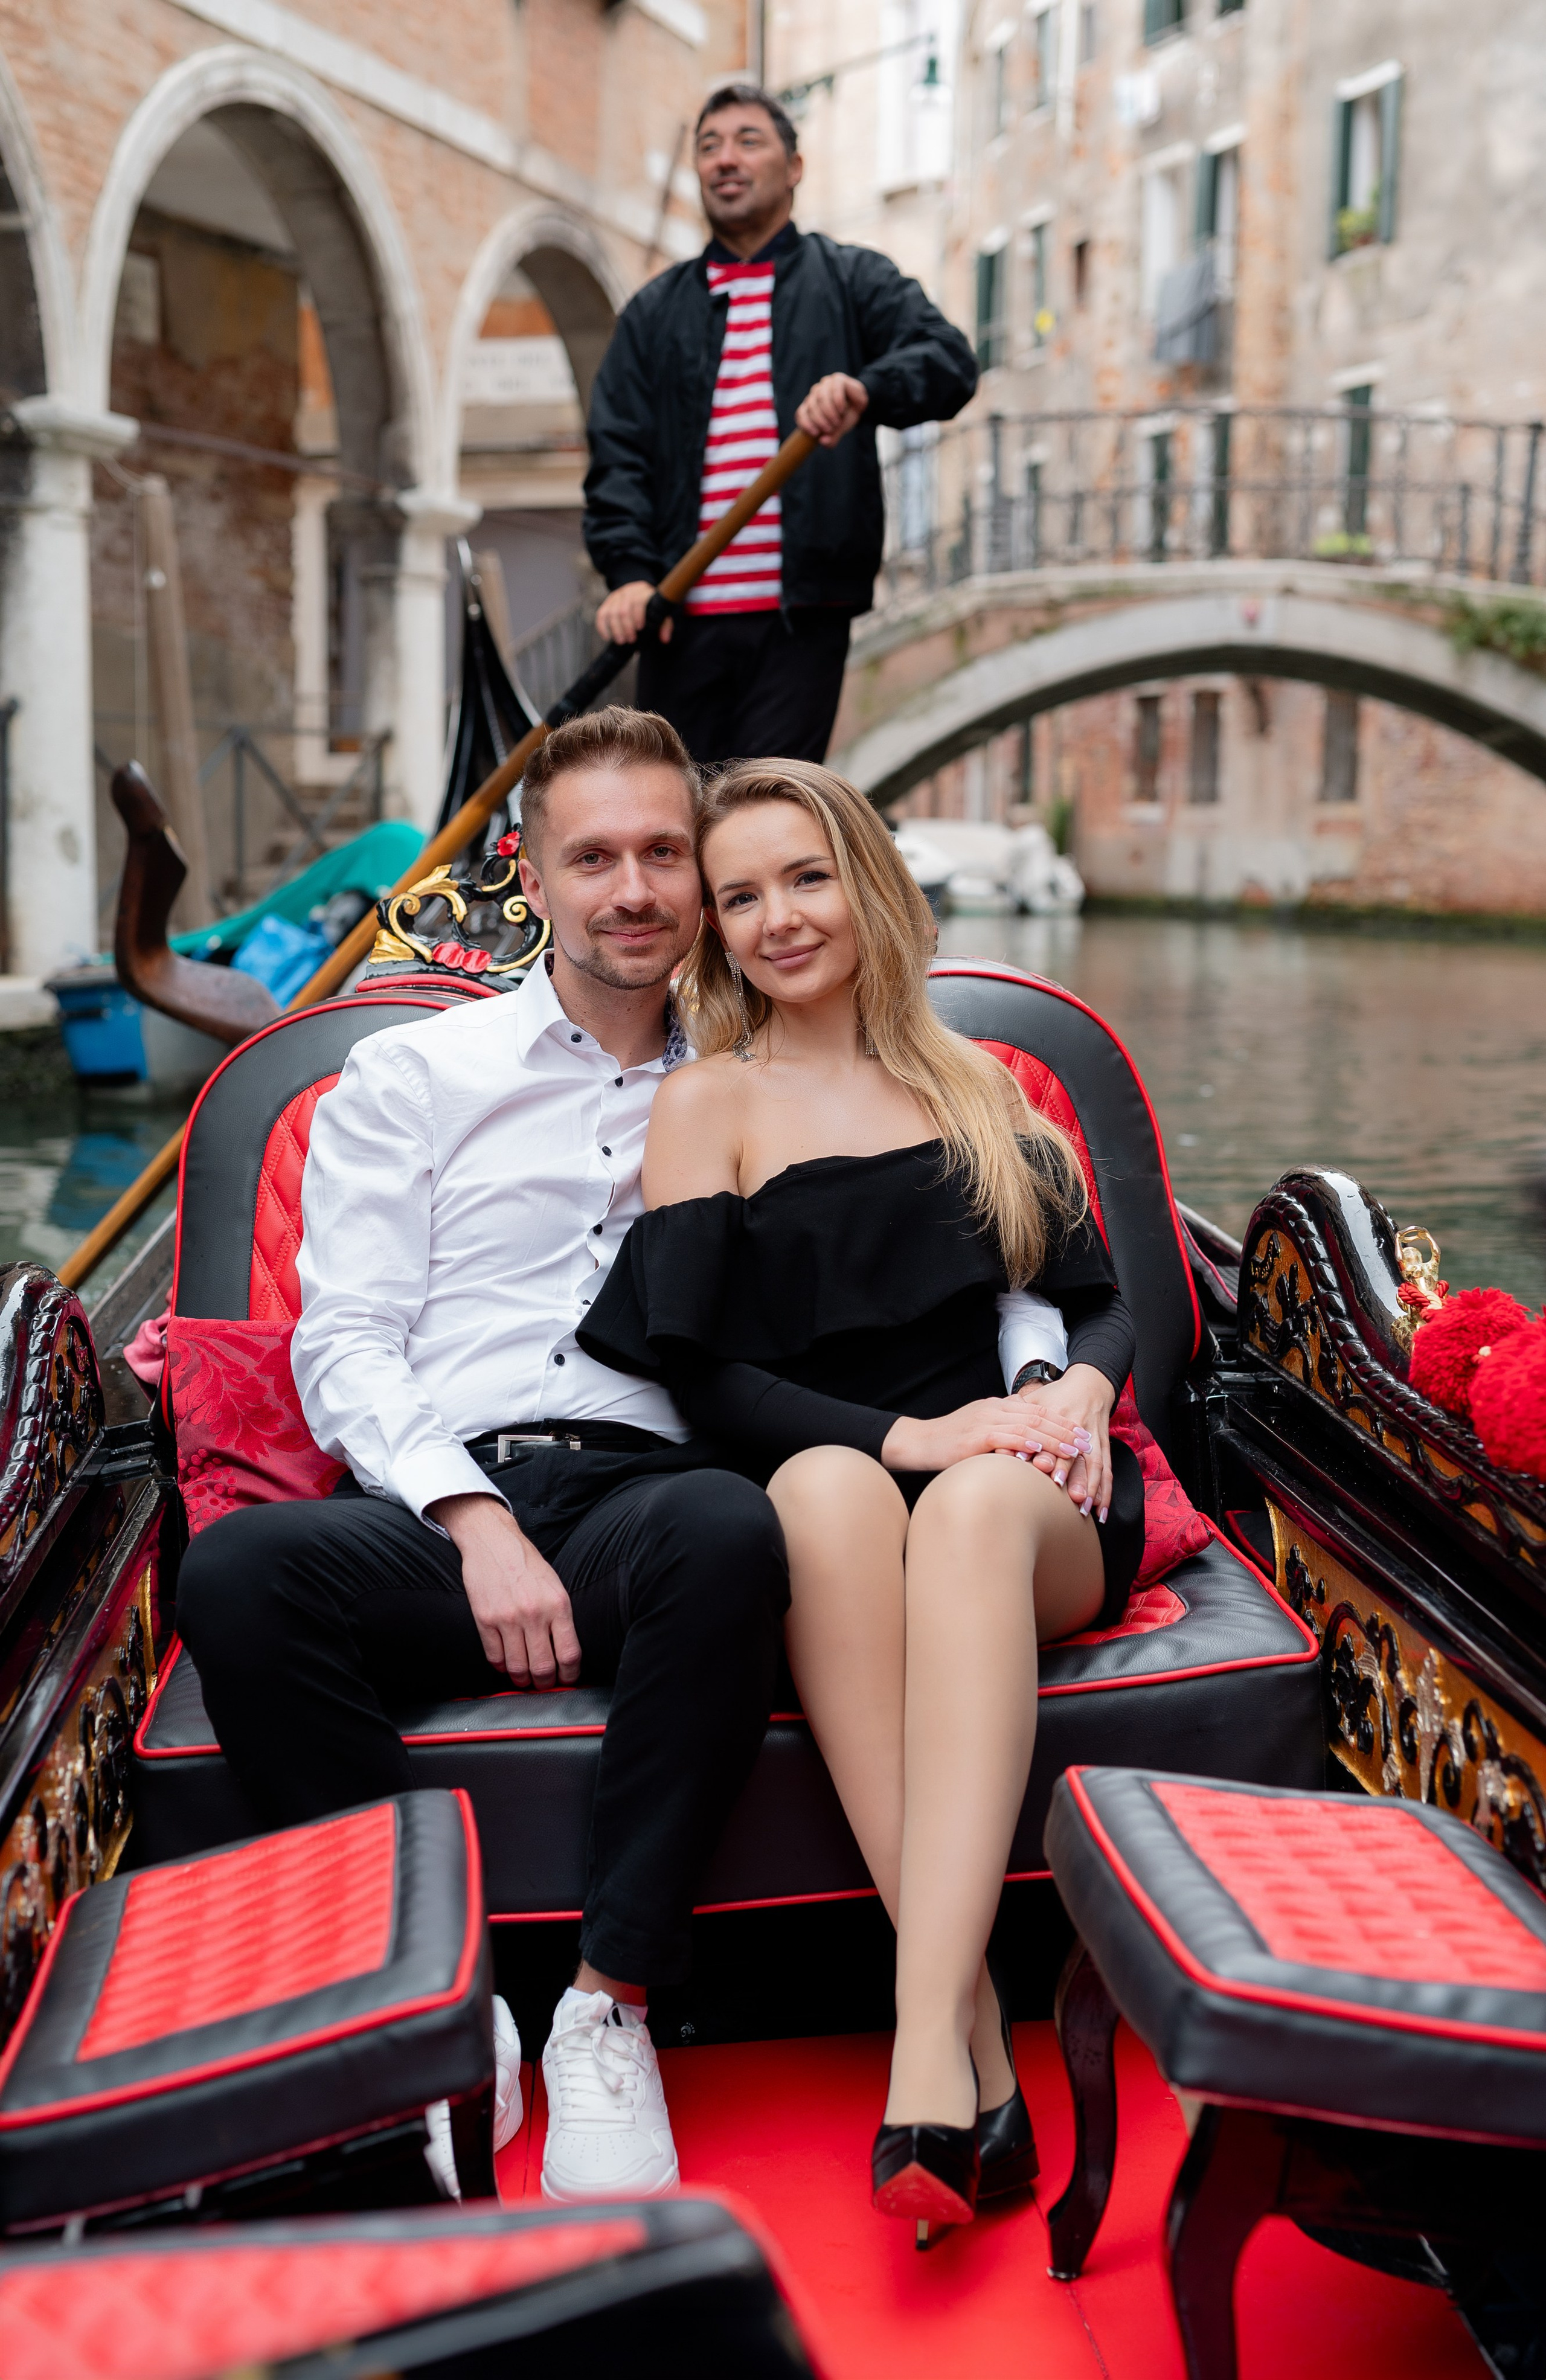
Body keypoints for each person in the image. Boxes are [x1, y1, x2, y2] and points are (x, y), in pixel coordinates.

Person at [175, 707, 794, 2208]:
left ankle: (606, 2006)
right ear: (530, 874)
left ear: (699, 874)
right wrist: (470, 1514)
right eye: (595, 857)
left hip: (645, 1499)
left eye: (663, 854)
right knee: (242, 1572)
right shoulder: (412, 1074)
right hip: (437, 1502)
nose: (632, 889)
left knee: (728, 1530)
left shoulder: (758, 1081)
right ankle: (437, 1997)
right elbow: (344, 1342)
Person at [579, 759, 1143, 2237]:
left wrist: (1075, 1398)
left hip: (1022, 1501)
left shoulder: (975, 1084)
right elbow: (704, 1377)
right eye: (740, 894)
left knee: (966, 1510)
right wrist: (913, 1435)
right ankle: (971, 2056)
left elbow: (1096, 1304)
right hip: (858, 1472)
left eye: (805, 877)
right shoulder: (708, 1102)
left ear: (866, 884)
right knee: (821, 1489)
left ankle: (922, 2052)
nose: (777, 917)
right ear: (712, 927)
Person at [583, 83, 978, 766]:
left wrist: (865, 389)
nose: (725, 160)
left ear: (794, 168)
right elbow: (618, 453)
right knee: (677, 807)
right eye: (709, 147)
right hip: (677, 614)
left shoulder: (852, 280)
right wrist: (630, 573)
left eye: (748, 142)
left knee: (768, 802)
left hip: (802, 618)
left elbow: (949, 361)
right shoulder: (653, 313)